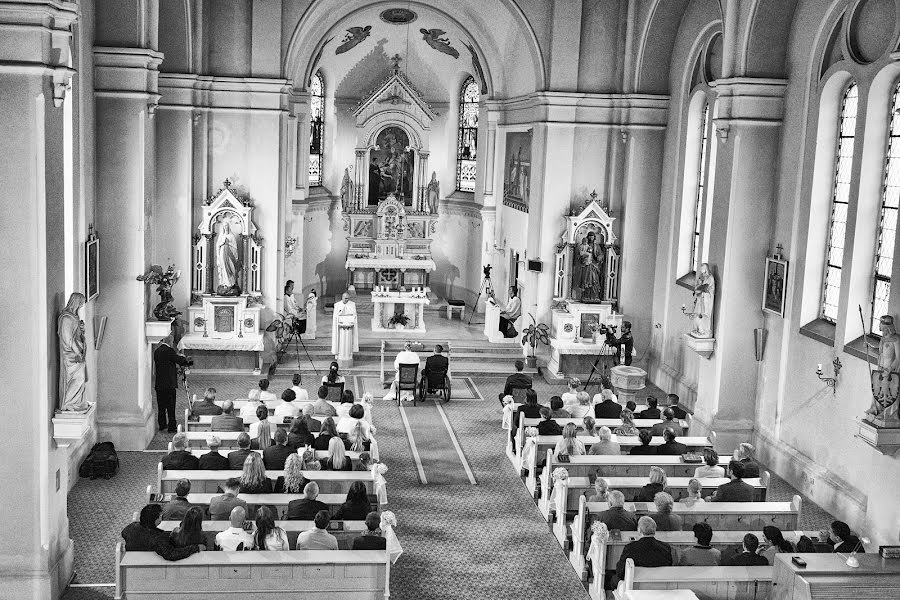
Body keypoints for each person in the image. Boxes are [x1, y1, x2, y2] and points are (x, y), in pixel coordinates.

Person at [122, 504, 204, 560]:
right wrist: (195, 548)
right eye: (160, 516)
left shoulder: (133, 526)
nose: (162, 517)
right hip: (145, 562)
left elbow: (124, 533)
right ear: (155, 519)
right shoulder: (157, 538)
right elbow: (172, 554)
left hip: (130, 557)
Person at [615, 516, 675, 582]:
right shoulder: (666, 547)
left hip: (634, 586)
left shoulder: (630, 547)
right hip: (658, 585)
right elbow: (668, 568)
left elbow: (621, 572)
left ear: (639, 530)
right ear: (654, 530)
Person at [153, 333, 191, 432]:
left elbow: (167, 362)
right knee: (170, 406)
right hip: (169, 384)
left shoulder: (156, 351)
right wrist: (186, 360)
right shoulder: (169, 350)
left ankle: (162, 425)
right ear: (169, 341)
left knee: (161, 406)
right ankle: (172, 426)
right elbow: (178, 360)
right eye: (172, 341)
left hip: (159, 383)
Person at [578, 231, 604, 301]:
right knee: (587, 280)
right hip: (586, 265)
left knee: (594, 280)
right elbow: (580, 255)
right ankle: (586, 296)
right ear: (587, 237)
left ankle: (595, 296)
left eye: (592, 236)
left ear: (594, 237)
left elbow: (601, 254)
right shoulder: (584, 245)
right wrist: (583, 257)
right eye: (589, 236)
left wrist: (599, 257)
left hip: (594, 265)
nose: (591, 237)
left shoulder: (597, 246)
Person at [331, 292, 359, 357]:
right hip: (340, 326)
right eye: (345, 298)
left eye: (348, 298)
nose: (347, 300)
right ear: (342, 297)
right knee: (340, 340)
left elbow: (354, 315)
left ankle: (350, 353)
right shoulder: (337, 305)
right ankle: (338, 353)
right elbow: (335, 316)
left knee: (349, 341)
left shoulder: (352, 304)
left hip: (349, 325)